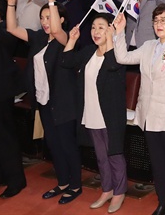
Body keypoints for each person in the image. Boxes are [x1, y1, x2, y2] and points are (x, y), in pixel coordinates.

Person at [113, 5, 165, 215]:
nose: (159, 24)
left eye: (164, 20)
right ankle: (163, 201)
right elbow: (122, 58)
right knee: (157, 163)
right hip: (149, 113)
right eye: (156, 20)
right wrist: (120, 31)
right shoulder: (148, 46)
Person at [6, 0, 82, 204]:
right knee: (54, 145)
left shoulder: (65, 39)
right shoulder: (39, 38)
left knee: (67, 144)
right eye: (43, 18)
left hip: (64, 102)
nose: (46, 22)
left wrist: (51, 0)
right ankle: (63, 182)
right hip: (44, 101)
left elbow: (58, 31)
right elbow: (12, 28)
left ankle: (75, 185)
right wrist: (11, 2)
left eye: (50, 17)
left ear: (60, 19)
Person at [61, 14, 127, 213]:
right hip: (90, 113)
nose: (95, 32)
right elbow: (66, 61)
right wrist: (72, 39)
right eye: (93, 28)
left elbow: (113, 65)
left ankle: (119, 191)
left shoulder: (118, 54)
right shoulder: (89, 52)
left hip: (110, 115)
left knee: (114, 154)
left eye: (101, 27)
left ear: (110, 29)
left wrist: (113, 39)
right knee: (100, 156)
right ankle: (106, 189)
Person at [0, 0, 27, 199]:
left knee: (5, 136)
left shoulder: (6, 30)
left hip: (1, 91)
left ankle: (16, 180)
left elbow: (6, 42)